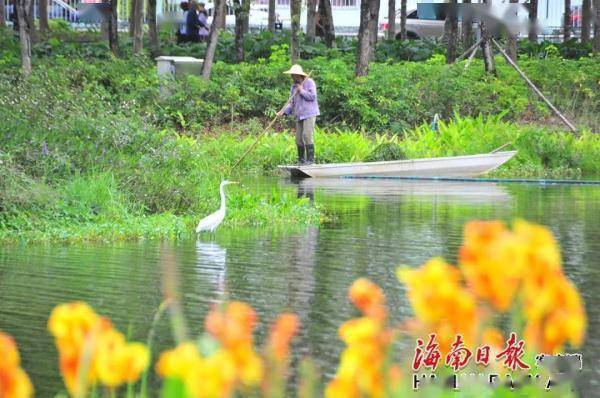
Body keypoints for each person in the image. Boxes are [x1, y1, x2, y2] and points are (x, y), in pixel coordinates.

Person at [278, 64, 320, 165]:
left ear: (299, 75)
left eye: (294, 75)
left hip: (309, 113)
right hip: (299, 114)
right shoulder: (293, 87)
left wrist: (301, 91)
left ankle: (310, 160)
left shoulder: (309, 82)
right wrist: (283, 111)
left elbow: (312, 97)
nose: (292, 77)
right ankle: (301, 160)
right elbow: (291, 102)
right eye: (292, 75)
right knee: (298, 139)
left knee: (306, 135)